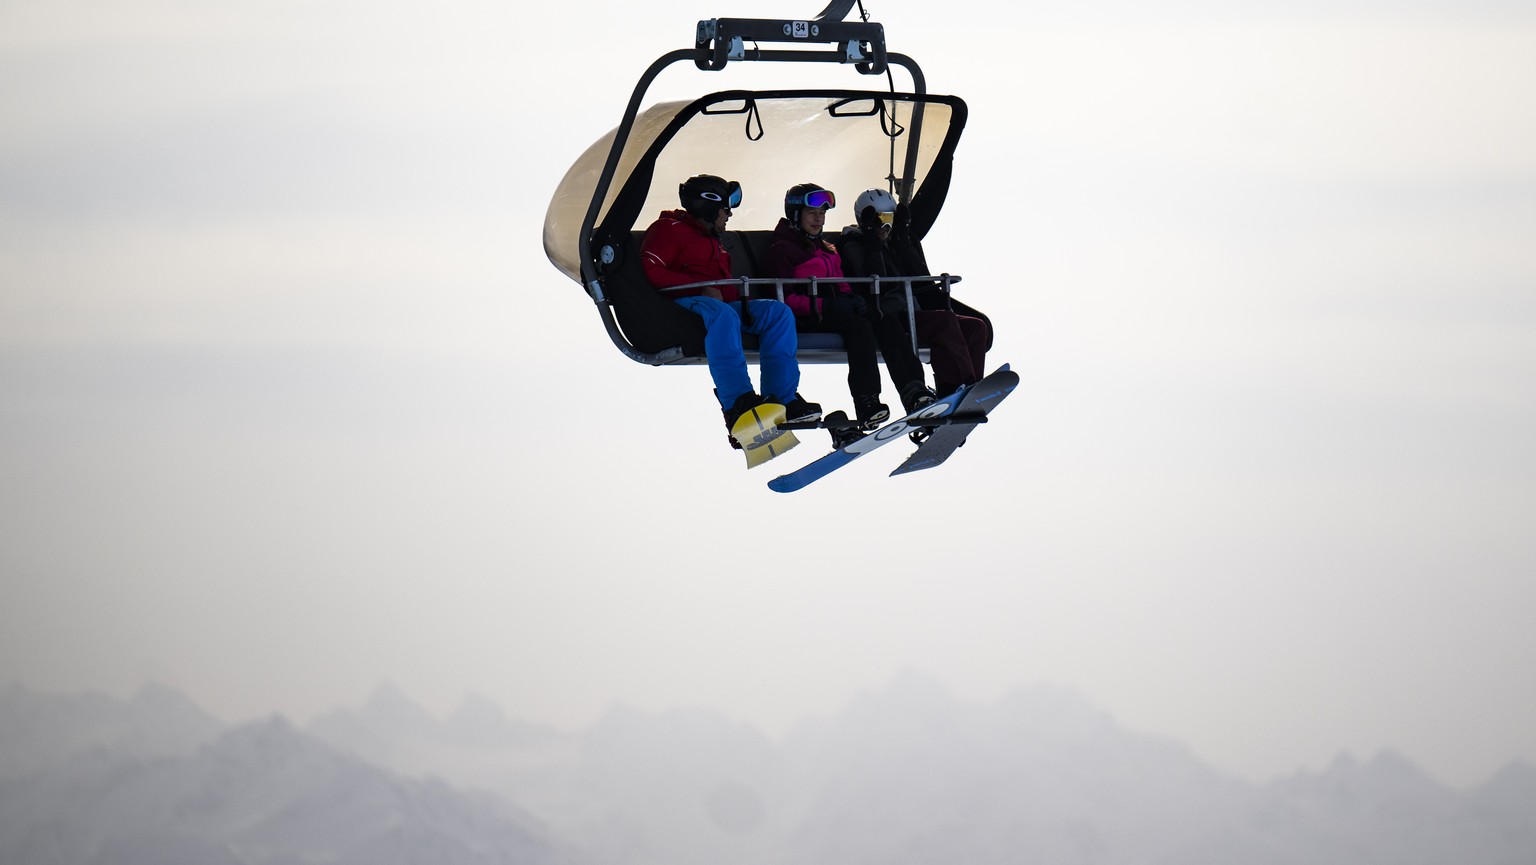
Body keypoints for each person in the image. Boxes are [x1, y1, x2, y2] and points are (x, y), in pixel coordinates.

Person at [641, 174, 821, 447]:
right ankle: (738, 403)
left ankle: (781, 398)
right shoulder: (668, 229)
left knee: (778, 313)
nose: (729, 215)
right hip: (682, 303)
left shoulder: (711, 237)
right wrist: (698, 288)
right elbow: (651, 272)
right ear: (709, 206)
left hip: (716, 304)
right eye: (726, 208)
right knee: (722, 314)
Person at [763, 183, 932, 430]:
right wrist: (828, 304)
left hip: (832, 311)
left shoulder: (827, 249)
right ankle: (867, 401)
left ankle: (914, 391)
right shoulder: (783, 250)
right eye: (812, 213)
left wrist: (851, 299)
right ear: (797, 215)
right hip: (807, 316)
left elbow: (841, 282)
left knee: (882, 318)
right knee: (859, 327)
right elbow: (783, 300)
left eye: (822, 214)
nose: (818, 219)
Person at [837, 187, 992, 402]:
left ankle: (970, 387)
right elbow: (875, 280)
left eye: (889, 218)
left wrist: (903, 239)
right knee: (944, 322)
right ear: (865, 221)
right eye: (878, 219)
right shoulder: (854, 245)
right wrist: (873, 243)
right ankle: (955, 386)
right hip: (889, 314)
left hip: (911, 309)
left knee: (976, 327)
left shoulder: (895, 243)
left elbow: (921, 275)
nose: (885, 226)